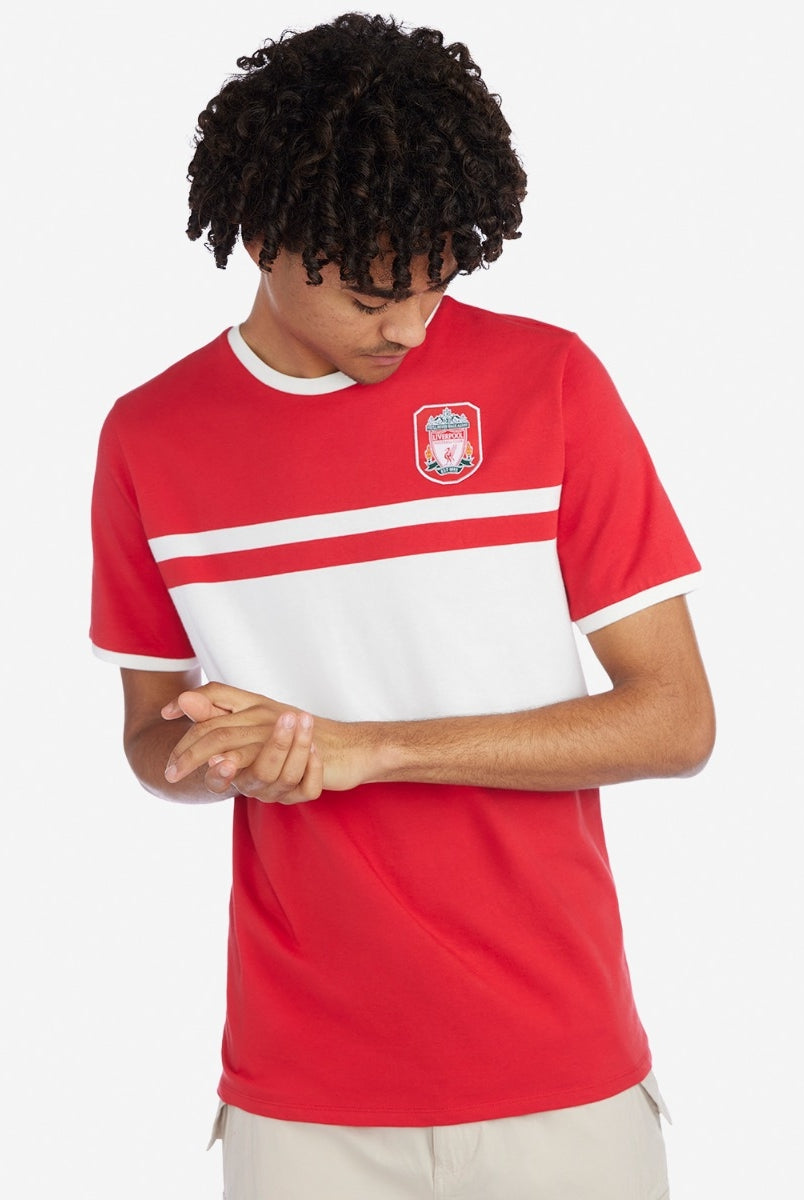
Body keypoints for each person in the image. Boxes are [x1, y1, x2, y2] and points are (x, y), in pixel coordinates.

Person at [90, 12, 715, 1199]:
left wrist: (369, 749)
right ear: (264, 237)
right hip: (301, 1096)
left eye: (437, 281)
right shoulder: (149, 439)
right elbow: (147, 738)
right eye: (376, 293)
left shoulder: (548, 382)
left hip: (560, 1073)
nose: (411, 325)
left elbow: (677, 720)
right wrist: (211, 755)